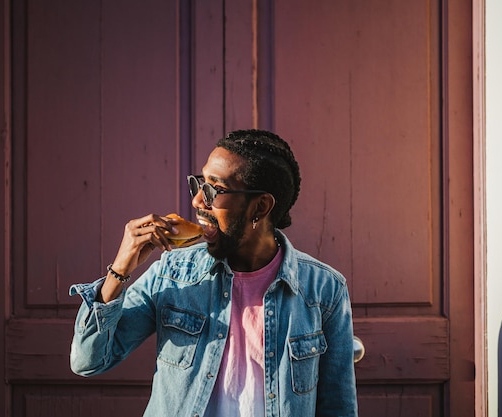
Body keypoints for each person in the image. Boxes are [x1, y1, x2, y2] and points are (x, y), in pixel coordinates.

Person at [70, 129, 358, 417]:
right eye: (199, 183)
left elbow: (338, 407)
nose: (197, 201)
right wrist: (120, 269)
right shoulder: (172, 273)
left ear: (260, 207)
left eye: (213, 190)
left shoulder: (324, 290)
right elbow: (89, 361)